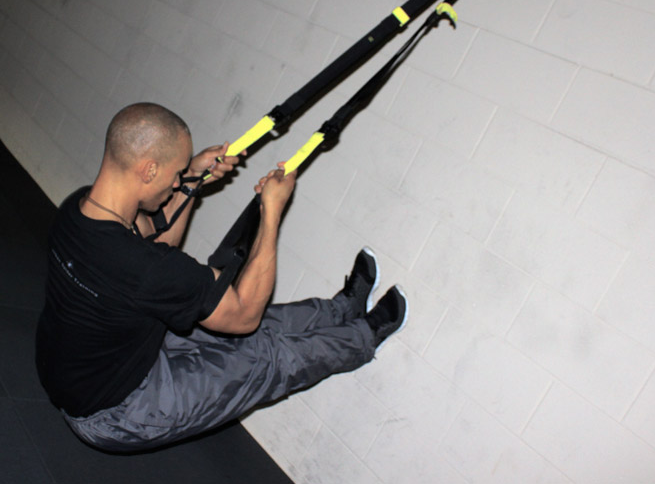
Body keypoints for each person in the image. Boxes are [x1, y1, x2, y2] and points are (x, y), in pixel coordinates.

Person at [35, 102, 408, 452]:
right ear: (148, 170)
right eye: (175, 173)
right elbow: (245, 315)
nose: (175, 182)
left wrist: (192, 177)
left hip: (107, 358)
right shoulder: (147, 269)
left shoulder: (78, 208)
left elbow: (159, 240)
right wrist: (272, 212)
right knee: (263, 359)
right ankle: (364, 337)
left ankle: (342, 310)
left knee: (234, 326)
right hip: (116, 412)